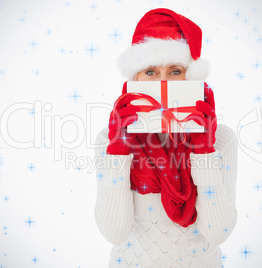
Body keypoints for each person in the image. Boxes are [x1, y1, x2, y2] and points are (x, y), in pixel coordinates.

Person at [94, 8, 237, 267]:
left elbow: (217, 233)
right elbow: (114, 232)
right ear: (135, 77)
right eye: (150, 72)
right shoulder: (109, 140)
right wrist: (119, 149)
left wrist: (203, 152)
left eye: (174, 71)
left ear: (190, 76)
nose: (164, 83)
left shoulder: (221, 139)